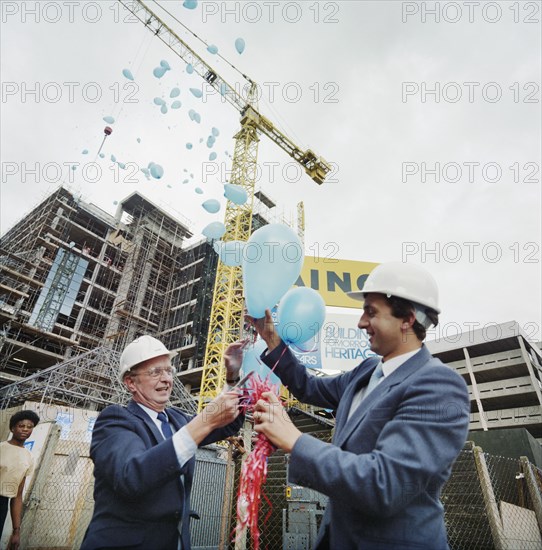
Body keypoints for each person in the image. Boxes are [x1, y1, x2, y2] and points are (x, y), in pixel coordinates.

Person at [247, 262, 470, 550]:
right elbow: (308, 387)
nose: (361, 322)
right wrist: (273, 341)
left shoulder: (439, 386)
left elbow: (385, 484)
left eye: (371, 312)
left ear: (408, 320)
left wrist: (295, 441)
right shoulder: (366, 370)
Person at [81, 335, 244, 550]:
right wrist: (204, 422)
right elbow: (131, 476)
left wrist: (232, 378)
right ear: (131, 382)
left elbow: (226, 424)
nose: (166, 379)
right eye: (155, 372)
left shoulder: (176, 419)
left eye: (168, 370)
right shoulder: (115, 420)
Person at [0, 410, 40, 550]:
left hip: (2, 505)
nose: (25, 429)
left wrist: (16, 531)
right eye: (21, 426)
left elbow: (17, 495)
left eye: (29, 427)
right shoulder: (1, 448)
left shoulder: (28, 457)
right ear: (12, 428)